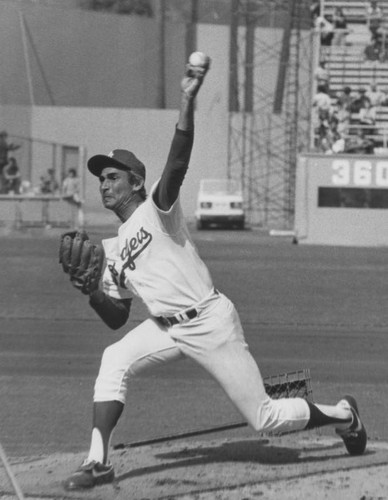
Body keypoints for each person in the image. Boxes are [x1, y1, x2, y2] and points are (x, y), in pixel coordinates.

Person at [62, 58, 367, 492]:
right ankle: (98, 462)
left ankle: (344, 414)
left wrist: (187, 100)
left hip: (209, 320)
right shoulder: (110, 251)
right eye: (101, 179)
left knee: (265, 418)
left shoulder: (157, 211)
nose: (104, 184)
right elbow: (115, 318)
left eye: (113, 177)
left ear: (136, 182)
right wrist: (92, 290)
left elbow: (178, 162)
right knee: (114, 358)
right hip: (164, 329)